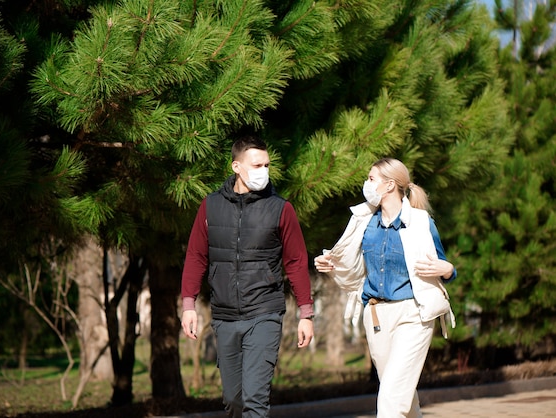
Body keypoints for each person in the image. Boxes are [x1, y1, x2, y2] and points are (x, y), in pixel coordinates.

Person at [181, 134, 314, 418]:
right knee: (234, 400)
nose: (263, 172)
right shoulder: (210, 206)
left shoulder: (281, 208)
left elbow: (296, 261)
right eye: (256, 165)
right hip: (225, 315)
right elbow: (196, 255)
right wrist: (188, 305)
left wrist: (306, 313)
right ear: (236, 167)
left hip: (264, 312)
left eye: (266, 165)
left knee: (255, 399)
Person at [314, 158, 456, 418]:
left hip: (414, 315)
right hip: (376, 315)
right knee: (401, 392)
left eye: (371, 179)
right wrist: (329, 262)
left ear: (389, 185)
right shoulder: (364, 221)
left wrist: (447, 270)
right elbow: (349, 262)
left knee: (391, 395)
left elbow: (444, 265)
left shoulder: (421, 222)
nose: (366, 184)